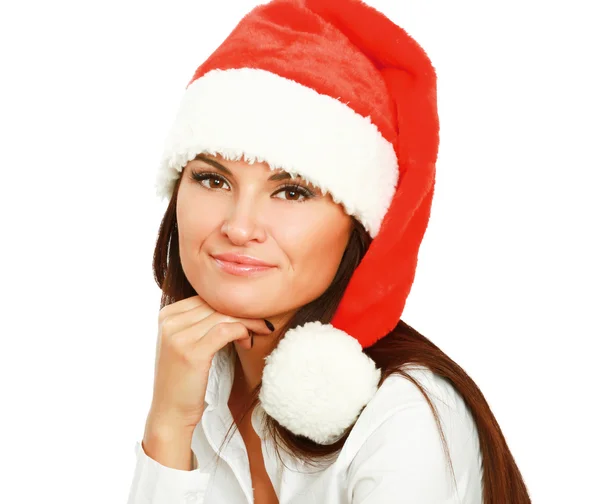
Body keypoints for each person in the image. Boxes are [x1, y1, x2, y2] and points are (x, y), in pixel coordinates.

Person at [127, 0, 531, 503]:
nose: (239, 226)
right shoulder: (197, 384)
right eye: (212, 179)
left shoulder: (404, 415)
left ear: (357, 228)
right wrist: (168, 425)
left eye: (292, 191)